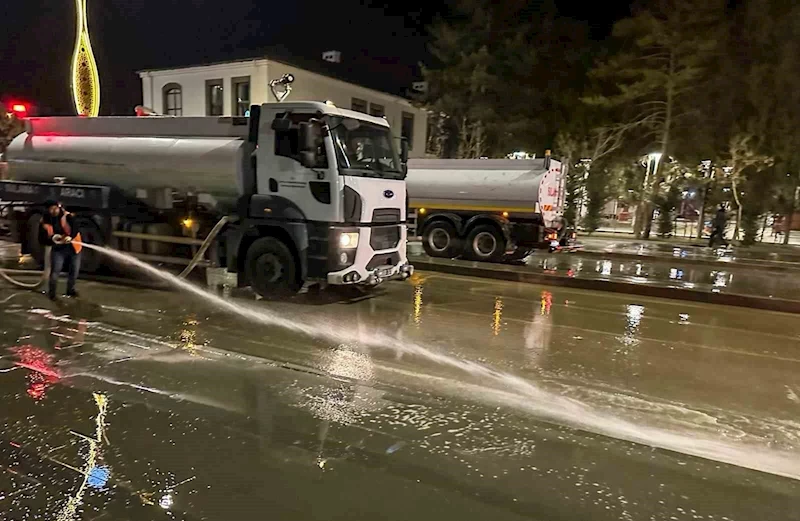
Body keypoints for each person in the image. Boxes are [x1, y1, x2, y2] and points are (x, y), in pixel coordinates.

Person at [38, 200, 82, 300]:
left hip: (74, 247)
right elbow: (41, 239)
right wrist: (52, 239)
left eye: (55, 208)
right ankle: (52, 294)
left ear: (59, 207)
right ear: (48, 210)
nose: (54, 211)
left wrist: (70, 237)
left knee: (74, 271)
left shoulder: (67, 216)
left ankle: (70, 291)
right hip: (58, 249)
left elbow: (75, 228)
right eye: (51, 209)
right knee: (55, 271)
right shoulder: (45, 221)